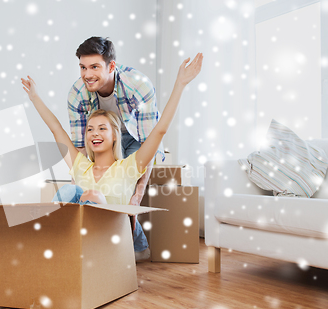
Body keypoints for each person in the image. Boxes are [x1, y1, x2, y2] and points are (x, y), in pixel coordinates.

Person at [21, 52, 203, 257]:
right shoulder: (81, 166)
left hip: (115, 241)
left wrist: (180, 84)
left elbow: (159, 130)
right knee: (68, 191)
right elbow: (56, 128)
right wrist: (34, 97)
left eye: (101, 128)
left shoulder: (127, 167)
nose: (94, 133)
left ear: (115, 136)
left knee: (93, 195)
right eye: (89, 129)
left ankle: (86, 249)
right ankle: (51, 243)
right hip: (83, 239)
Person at [67, 36, 168, 260]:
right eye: (83, 67)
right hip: (104, 136)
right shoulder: (77, 94)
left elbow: (149, 140)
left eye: (94, 67)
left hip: (136, 136)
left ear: (111, 66)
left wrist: (137, 195)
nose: (87, 74)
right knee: (99, 189)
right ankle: (102, 246)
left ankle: (139, 248)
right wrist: (78, 182)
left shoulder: (138, 86)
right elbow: (80, 147)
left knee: (125, 188)